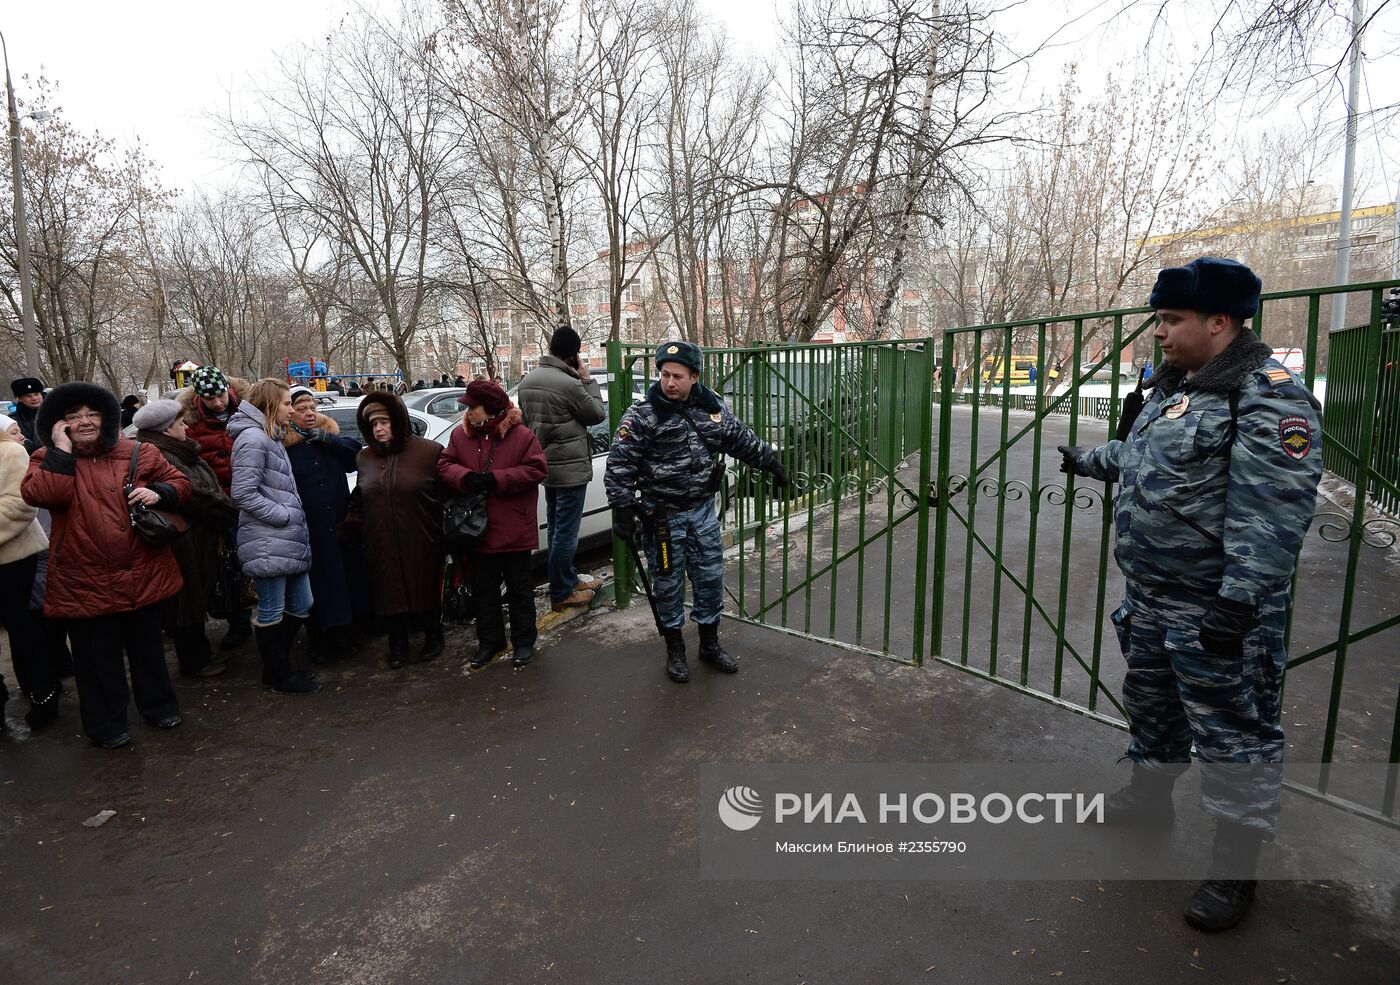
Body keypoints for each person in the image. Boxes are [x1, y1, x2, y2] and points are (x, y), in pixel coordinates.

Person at [1058, 257, 1323, 932]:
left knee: (1234, 733)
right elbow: (1140, 457)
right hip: (1151, 597)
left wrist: (1237, 602)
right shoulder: (1180, 387)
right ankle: (1150, 797)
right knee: (1152, 704)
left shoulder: (1267, 395)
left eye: (1172, 319)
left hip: (1217, 609)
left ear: (1220, 320)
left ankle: (1236, 864)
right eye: (1160, 318)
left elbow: (1274, 509)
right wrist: (1087, 458)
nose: (1160, 332)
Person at [604, 341, 788, 683]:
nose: (669, 382)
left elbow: (739, 438)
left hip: (702, 512)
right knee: (668, 583)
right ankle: (675, 650)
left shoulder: (710, 407)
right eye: (664, 375)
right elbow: (620, 465)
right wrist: (622, 510)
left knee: (709, 577)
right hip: (661, 518)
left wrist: (771, 463)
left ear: (694, 377)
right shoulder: (643, 415)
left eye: (677, 376)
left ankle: (709, 644)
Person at [22, 382, 190, 749]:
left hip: (142, 569)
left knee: (148, 651)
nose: (84, 421)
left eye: (92, 414)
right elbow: (44, 495)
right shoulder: (44, 459)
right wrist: (61, 452)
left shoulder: (136, 451)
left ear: (107, 418)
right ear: (59, 424)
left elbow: (180, 483)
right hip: (84, 579)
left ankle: (159, 707)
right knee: (96, 661)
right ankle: (106, 725)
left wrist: (159, 492)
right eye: (73, 416)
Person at [438, 381, 548, 670]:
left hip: (514, 527)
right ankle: (490, 642)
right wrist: (466, 477)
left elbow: (537, 470)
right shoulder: (460, 436)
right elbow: (444, 465)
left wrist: (497, 479)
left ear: (490, 408)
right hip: (477, 530)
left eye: (472, 406)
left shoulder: (522, 436)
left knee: (519, 590)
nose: (467, 412)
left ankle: (524, 643)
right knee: (484, 590)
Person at [134, 399, 239, 679]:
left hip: (198, 534)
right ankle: (194, 661)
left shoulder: (175, 449)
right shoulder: (161, 454)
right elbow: (192, 493)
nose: (186, 428)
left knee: (194, 594)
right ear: (166, 429)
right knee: (185, 600)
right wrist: (226, 509)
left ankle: (200, 652)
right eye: (181, 424)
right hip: (183, 538)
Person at [229, 378, 319, 695]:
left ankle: (279, 666)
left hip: (285, 539)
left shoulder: (271, 436)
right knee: (271, 610)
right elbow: (242, 494)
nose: (290, 409)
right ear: (270, 405)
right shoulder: (253, 439)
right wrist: (282, 515)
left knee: (302, 602)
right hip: (267, 539)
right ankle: (278, 674)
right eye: (285, 403)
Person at [342, 392, 444, 669]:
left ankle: (433, 636)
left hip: (421, 536)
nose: (379, 429)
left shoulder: (428, 452)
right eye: (373, 424)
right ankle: (397, 644)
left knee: (423, 586)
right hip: (380, 540)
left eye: (384, 422)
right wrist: (352, 526)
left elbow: (446, 494)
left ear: (398, 422)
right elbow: (359, 498)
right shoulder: (365, 458)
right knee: (389, 594)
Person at [516, 325, 605, 612]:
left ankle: (566, 579)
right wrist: (588, 381)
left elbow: (528, 422)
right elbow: (596, 414)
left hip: (546, 466)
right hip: (570, 470)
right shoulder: (569, 384)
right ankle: (562, 591)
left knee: (556, 528)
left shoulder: (528, 381)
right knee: (566, 532)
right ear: (573, 355)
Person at [283, 385, 369, 662]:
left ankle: (347, 634)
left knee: (345, 582)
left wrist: (329, 440)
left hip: (339, 524)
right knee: (317, 586)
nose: (309, 413)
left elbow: (355, 458)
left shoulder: (329, 438)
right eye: (301, 409)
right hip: (309, 529)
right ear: (289, 412)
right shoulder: (282, 445)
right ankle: (319, 639)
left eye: (312, 408)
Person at [180, 366, 254, 652]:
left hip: (252, 498)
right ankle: (238, 621)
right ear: (200, 398)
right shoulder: (190, 423)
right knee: (228, 565)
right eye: (211, 399)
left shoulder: (249, 410)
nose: (218, 403)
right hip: (217, 504)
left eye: (221, 395)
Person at [0, 413, 59, 731]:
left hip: (12, 558)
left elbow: (20, 505)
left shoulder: (9, 452)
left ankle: (44, 693)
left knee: (22, 627)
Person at [10, 377, 45, 453]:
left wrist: (27, 443)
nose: (34, 398)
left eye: (37, 394)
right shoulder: (12, 420)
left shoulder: (55, 414)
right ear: (19, 399)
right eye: (29, 396)